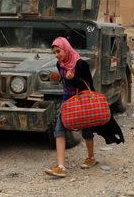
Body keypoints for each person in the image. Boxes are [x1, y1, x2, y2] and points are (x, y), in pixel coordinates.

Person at [45, 37, 98, 178]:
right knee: (59, 130)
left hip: (82, 101)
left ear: (66, 49)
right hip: (67, 101)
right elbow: (65, 84)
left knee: (86, 130)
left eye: (58, 51)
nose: (57, 55)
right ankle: (61, 167)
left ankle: (91, 157)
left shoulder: (81, 64)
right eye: (54, 52)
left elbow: (89, 85)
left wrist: (74, 79)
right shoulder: (60, 64)